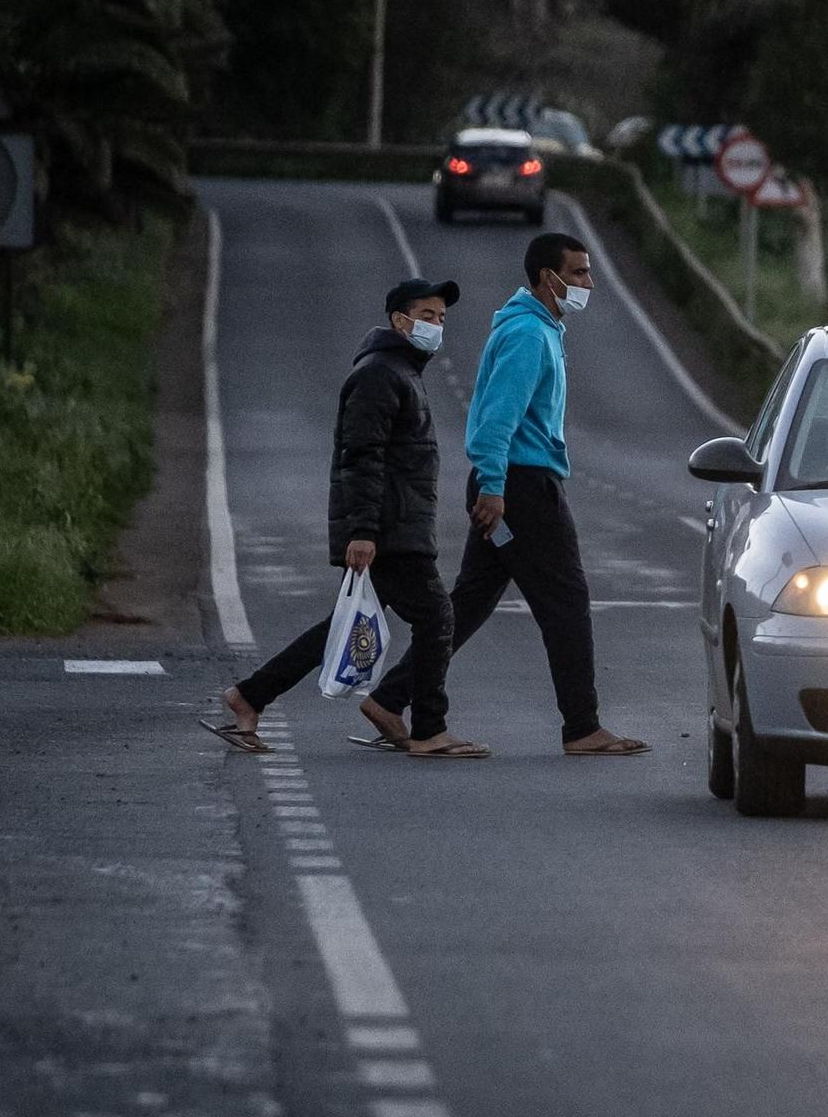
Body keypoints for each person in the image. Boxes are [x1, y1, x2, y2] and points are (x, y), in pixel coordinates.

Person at [360, 233, 650, 756]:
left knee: (470, 601)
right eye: (579, 273)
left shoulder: (542, 329)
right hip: (520, 485)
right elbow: (497, 419)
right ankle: (582, 727)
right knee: (566, 601)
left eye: (588, 272)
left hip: (514, 482)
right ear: (547, 277)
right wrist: (494, 488)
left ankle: (390, 696)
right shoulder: (528, 336)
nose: (589, 283)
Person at [204, 279, 488, 758]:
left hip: (398, 525)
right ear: (400, 320)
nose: (436, 325)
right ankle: (428, 729)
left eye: (441, 318)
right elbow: (361, 457)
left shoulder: (400, 371)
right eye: (426, 315)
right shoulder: (380, 374)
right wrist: (362, 531)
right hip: (390, 529)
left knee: (341, 626)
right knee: (439, 616)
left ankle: (249, 697)